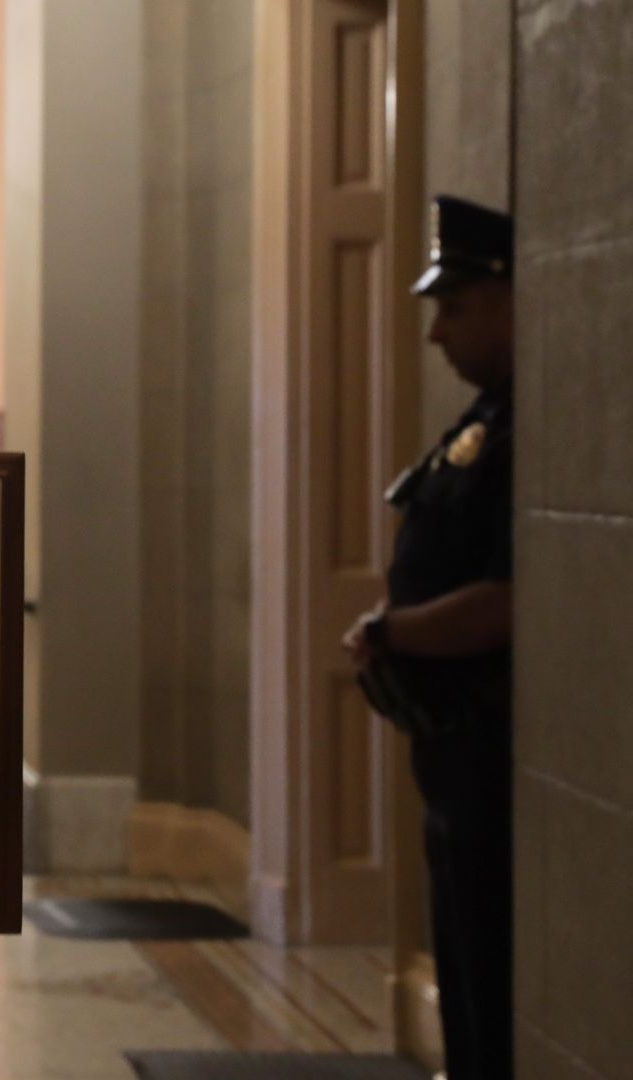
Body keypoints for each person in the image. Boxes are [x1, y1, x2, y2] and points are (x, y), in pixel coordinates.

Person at [342, 195, 515, 1080]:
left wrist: (390, 628)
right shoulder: (483, 420)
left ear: (510, 297)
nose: (436, 333)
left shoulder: (529, 430)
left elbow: (510, 596)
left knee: (494, 963)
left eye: (454, 308)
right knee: (466, 959)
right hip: (453, 746)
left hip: (495, 741)